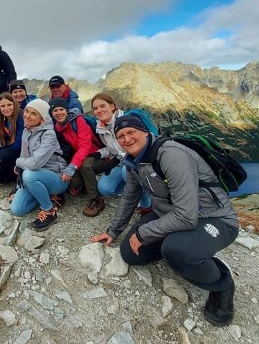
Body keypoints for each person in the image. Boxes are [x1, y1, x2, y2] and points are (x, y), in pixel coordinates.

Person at [90, 115, 239, 327]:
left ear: (144, 131)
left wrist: (144, 233)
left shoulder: (170, 154)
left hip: (213, 218)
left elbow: (187, 215)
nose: (126, 139)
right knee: (131, 253)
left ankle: (221, 282)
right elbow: (130, 197)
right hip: (170, 215)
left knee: (176, 249)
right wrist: (113, 231)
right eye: (121, 135)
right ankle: (185, 248)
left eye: (131, 132)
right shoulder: (134, 162)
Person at [11, 99, 68, 230]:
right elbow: (24, 156)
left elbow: (35, 163)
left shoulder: (49, 134)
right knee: (17, 209)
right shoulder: (27, 130)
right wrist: (17, 185)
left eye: (33, 114)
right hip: (36, 176)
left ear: (42, 118)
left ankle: (49, 210)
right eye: (26, 111)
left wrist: (18, 163)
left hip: (57, 178)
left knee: (29, 174)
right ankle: (43, 194)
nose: (27, 116)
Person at [91, 93, 152, 215]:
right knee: (104, 188)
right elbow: (111, 148)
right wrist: (98, 154)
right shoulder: (101, 127)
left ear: (112, 106)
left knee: (128, 171)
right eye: (96, 108)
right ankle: (136, 191)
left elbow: (143, 144)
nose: (99, 110)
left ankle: (147, 206)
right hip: (121, 162)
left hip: (139, 161)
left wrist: (117, 159)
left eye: (102, 106)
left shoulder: (127, 120)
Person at [49, 98, 110, 217]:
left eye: (61, 109)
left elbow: (85, 145)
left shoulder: (78, 120)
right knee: (73, 182)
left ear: (67, 110)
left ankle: (97, 199)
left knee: (84, 165)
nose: (58, 112)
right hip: (81, 157)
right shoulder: (58, 127)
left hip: (100, 155)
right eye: (55, 110)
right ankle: (83, 185)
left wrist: (73, 165)